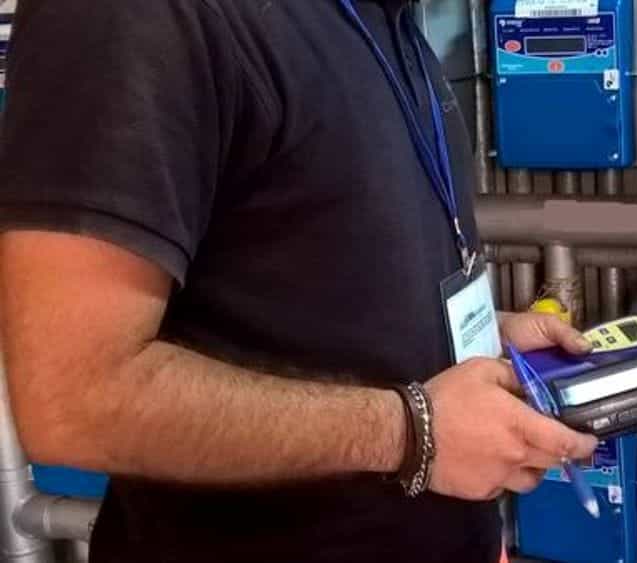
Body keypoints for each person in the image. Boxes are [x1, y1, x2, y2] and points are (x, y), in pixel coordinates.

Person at [0, 1, 598, 562]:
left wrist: (481, 338)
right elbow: (75, 399)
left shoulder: (380, 18)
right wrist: (411, 432)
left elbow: (299, 274)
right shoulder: (132, 17)